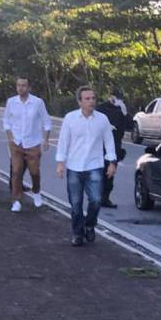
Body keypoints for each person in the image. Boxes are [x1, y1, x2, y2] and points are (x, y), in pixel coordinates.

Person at [56, 86, 117, 246]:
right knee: (75, 203)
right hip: (74, 167)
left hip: (94, 166)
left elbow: (109, 141)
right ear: (79, 101)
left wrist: (112, 162)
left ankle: (90, 225)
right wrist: (60, 163)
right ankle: (77, 234)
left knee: (96, 200)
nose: (91, 101)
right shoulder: (70, 118)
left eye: (93, 98)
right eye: (87, 99)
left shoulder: (102, 119)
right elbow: (63, 142)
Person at [1, 77, 52, 212]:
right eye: (18, 85)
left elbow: (47, 121)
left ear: (29, 88)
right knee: (16, 172)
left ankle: (36, 191)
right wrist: (10, 137)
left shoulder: (38, 103)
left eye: (24, 85)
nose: (20, 88)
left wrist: (46, 139)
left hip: (33, 143)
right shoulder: (11, 102)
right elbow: (6, 120)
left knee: (34, 171)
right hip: (16, 143)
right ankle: (16, 200)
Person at [95, 88, 129, 209]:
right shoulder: (100, 108)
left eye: (119, 99)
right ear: (111, 97)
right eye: (115, 98)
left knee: (110, 174)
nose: (117, 101)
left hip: (114, 145)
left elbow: (129, 127)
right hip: (99, 145)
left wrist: (125, 113)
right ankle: (96, 197)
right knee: (98, 172)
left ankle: (105, 198)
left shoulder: (121, 110)